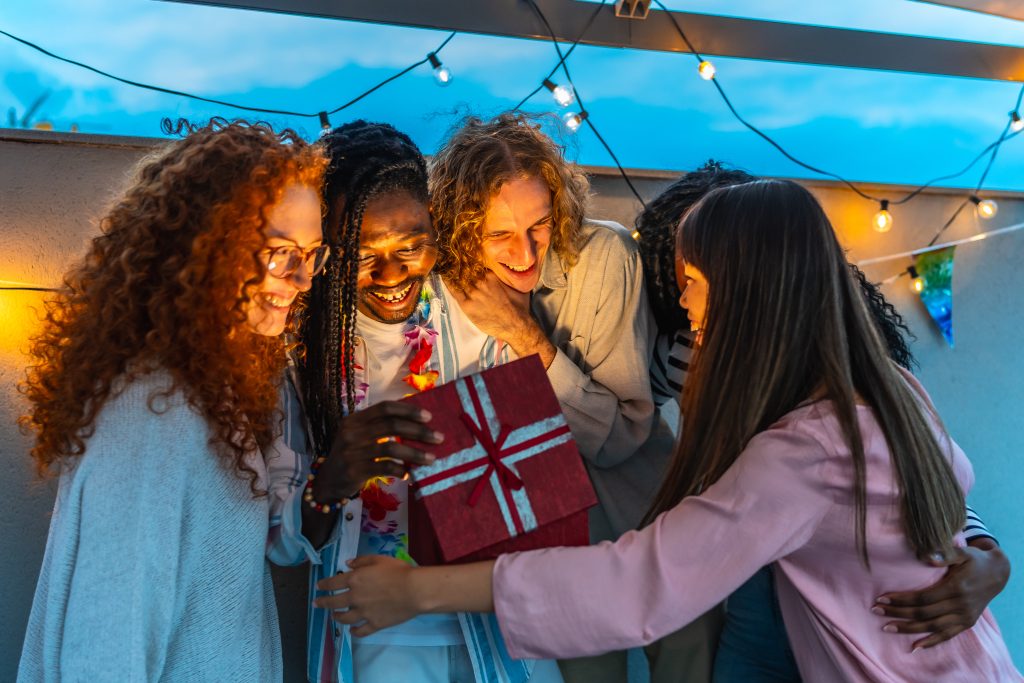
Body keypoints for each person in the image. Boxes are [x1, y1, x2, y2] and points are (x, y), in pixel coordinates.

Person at [317, 179, 1023, 682]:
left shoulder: (802, 452)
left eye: (690, 278)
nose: (682, 300)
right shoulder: (892, 388)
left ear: (744, 289)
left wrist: (419, 591)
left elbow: (638, 584)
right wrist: (985, 551)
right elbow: (934, 498)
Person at [637, 161, 1011, 681]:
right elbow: (625, 419)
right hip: (756, 591)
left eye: (698, 276)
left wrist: (989, 558)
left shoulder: (860, 364)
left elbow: (917, 471)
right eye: (684, 278)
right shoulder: (687, 354)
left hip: (850, 590)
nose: (686, 297)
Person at [17, 118, 327, 681]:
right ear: (208, 245)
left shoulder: (217, 392)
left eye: (312, 253)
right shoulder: (153, 412)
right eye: (281, 252)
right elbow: (106, 648)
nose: (303, 278)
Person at [264, 120, 563, 683]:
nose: (393, 274)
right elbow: (280, 546)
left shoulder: (484, 319)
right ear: (330, 246)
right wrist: (330, 481)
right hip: (374, 637)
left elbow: (540, 495)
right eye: (363, 254)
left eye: (412, 245)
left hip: (494, 629)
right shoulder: (300, 354)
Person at [427, 112, 720, 682]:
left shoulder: (603, 256)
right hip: (542, 541)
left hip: (644, 515)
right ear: (463, 234)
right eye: (499, 235)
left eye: (539, 224)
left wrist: (529, 342)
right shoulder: (444, 288)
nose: (526, 251)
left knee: (690, 659)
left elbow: (623, 434)